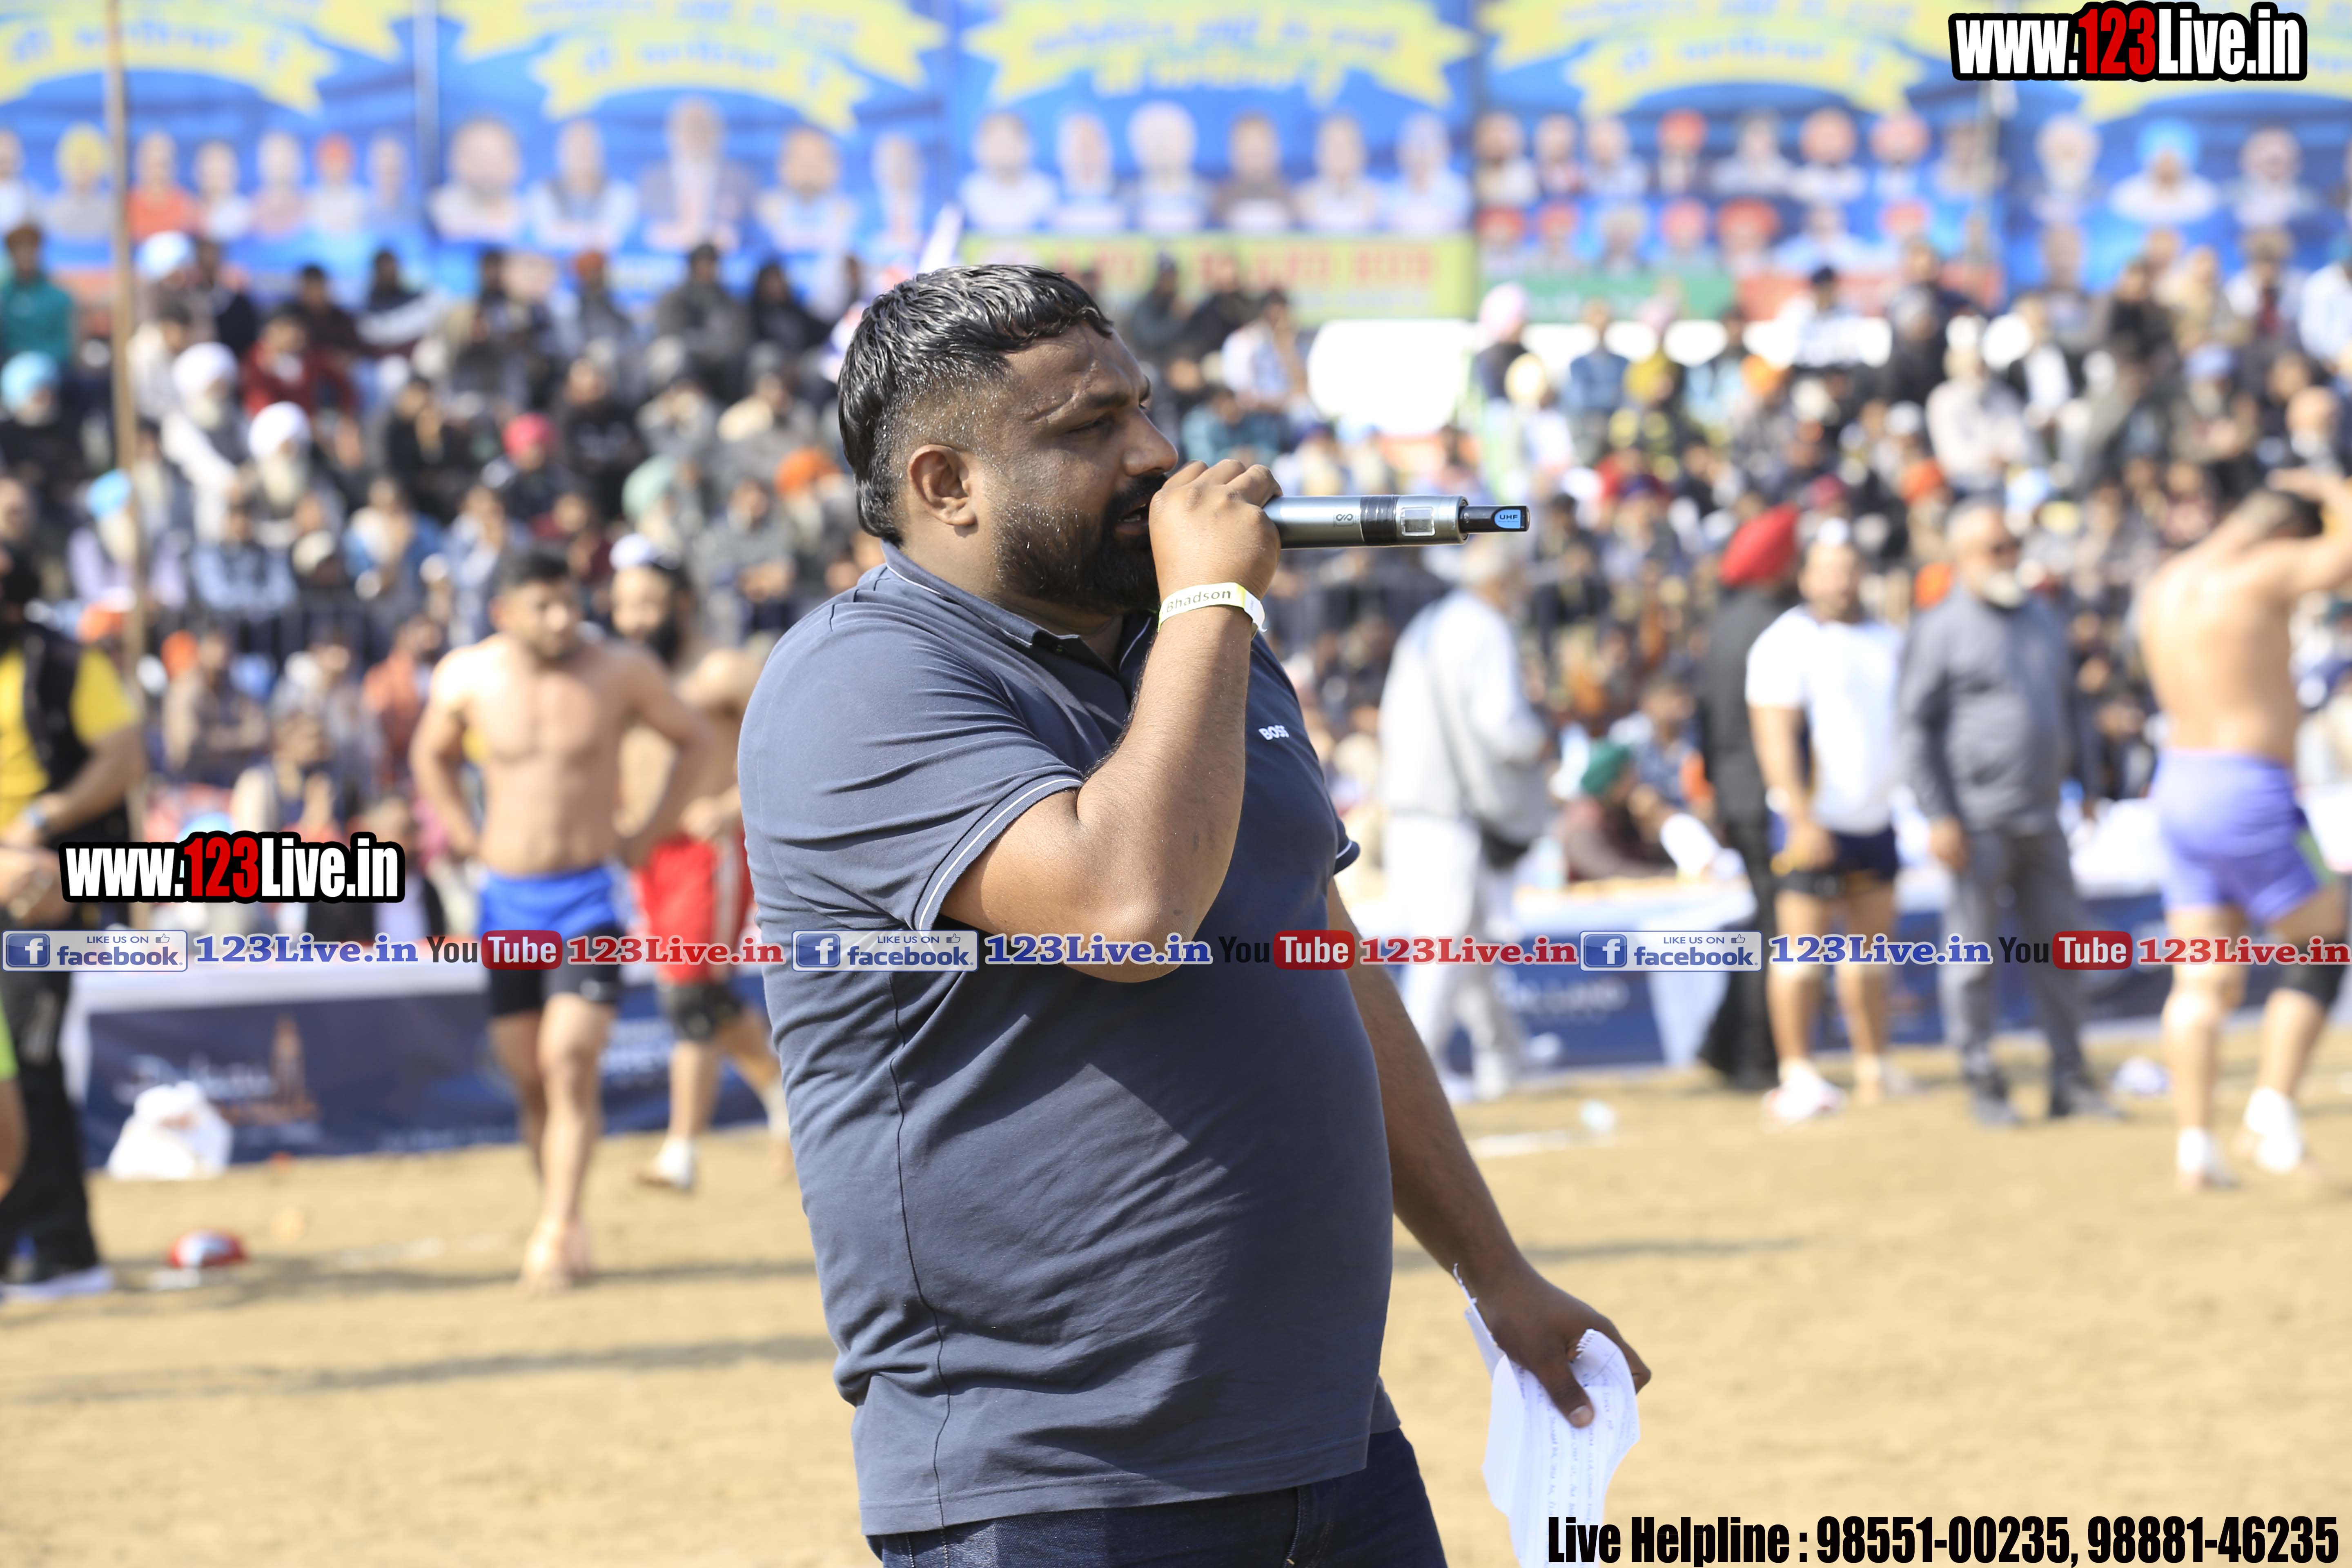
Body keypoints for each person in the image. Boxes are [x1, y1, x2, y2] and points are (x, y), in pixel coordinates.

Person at [744, 264, 1646, 1555]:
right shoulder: (865, 679)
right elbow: (1124, 913)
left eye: (1144, 408)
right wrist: (1214, 601)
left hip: (1331, 1438)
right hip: (1057, 1480)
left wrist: (1492, 1268)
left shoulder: (1192, 648)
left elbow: (1320, 954)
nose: (1157, 455)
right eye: (1091, 427)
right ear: (946, 485)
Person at [409, 548, 715, 1289]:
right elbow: (429, 755)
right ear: (504, 613)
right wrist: (464, 834)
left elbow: (697, 740)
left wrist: (648, 833)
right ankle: (563, 1217)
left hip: (588, 898)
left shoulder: (621, 670)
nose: (562, 618)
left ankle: (554, 1226)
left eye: (570, 602)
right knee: (530, 1078)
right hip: (506, 900)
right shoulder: (469, 676)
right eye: (543, 607)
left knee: (569, 1058)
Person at [2138, 473, 2352, 1190]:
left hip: (2179, 783)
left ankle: (2195, 1149)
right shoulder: (2259, 572)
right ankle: (2270, 1117)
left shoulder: (2169, 581)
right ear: (2288, 533)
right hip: (2248, 788)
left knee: (2201, 979)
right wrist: (2327, 486)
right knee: (2325, 943)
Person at [1900, 500, 2121, 1127]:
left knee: (2063, 950)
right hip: (1976, 821)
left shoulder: (2042, 617)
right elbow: (1914, 728)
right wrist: (1938, 814)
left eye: (2011, 546)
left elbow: (2071, 705)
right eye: (1994, 549)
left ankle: (2070, 1078)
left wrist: (2089, 780)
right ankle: (1983, 1081)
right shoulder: (1939, 628)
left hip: (2043, 815)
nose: (2007, 559)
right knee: (1972, 957)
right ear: (1961, 558)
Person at [607, 543, 791, 1191]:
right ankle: (785, 1101)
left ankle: (680, 1153)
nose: (634, 619)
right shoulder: (626, 676)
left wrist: (731, 806)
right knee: (701, 995)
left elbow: (790, 748)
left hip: (706, 851)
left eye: (648, 604)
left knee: (688, 996)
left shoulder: (723, 670)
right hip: (647, 855)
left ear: (682, 602)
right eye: (624, 605)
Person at [0, 541, 146, 1300]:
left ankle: (57, 1249)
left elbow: (123, 757)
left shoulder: (63, 663)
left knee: (28, 1068)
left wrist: (37, 825)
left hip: (37, 896)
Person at [1379, 536, 1552, 1101]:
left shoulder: (1432, 621)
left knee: (1467, 945)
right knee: (1446, 947)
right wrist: (1541, 742)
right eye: (1521, 577)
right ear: (1502, 580)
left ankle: (1504, 1056)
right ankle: (1415, 1077)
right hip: (1449, 814)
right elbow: (1504, 726)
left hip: (1416, 806)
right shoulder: (1485, 628)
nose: (1526, 588)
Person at [1746, 525, 1907, 1123]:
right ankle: (1799, 1071)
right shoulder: (1786, 643)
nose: (1840, 582)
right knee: (1801, 953)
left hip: (1875, 818)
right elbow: (1775, 736)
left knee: (1871, 952)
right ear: (1807, 577)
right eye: (1827, 570)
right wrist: (1799, 815)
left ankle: (1874, 1063)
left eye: (1848, 569)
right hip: (1814, 819)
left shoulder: (1887, 640)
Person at [1695, 506, 1801, 1091]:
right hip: (1774, 793)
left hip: (1737, 792)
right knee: (1780, 925)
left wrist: (1715, 790)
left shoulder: (1725, 623)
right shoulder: (1782, 625)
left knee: (1765, 917)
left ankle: (1725, 1044)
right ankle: (1760, 1057)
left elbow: (1706, 719)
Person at [0, 225, 75, 370]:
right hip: (9, 365)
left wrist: (34, 358)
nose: (25, 255)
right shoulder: (5, 296)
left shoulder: (59, 297)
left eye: (31, 249)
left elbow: (66, 347)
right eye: (19, 249)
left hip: (50, 366)